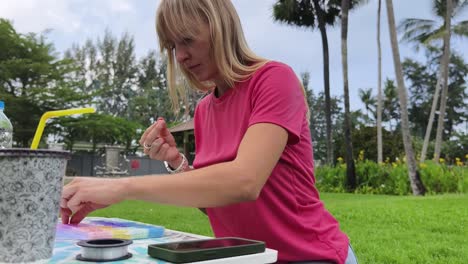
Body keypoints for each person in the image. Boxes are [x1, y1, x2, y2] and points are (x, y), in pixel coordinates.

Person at [60, 0, 358, 263]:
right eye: (173, 46)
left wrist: (121, 187)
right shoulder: (204, 110)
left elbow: (244, 182)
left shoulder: (274, 80)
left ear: (221, 28)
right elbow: (216, 202)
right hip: (246, 258)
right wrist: (176, 163)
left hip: (309, 255)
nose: (181, 57)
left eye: (187, 40)